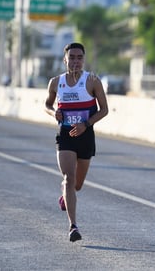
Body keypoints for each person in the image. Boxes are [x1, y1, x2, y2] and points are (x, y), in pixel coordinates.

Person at [44, 42, 108, 242]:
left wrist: (86, 124)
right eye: (71, 57)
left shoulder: (93, 81)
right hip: (65, 136)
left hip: (85, 136)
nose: (75, 61)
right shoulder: (56, 82)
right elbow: (46, 104)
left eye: (79, 57)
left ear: (84, 59)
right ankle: (73, 226)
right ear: (65, 60)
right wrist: (54, 112)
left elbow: (104, 110)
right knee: (68, 179)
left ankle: (66, 196)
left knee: (77, 185)